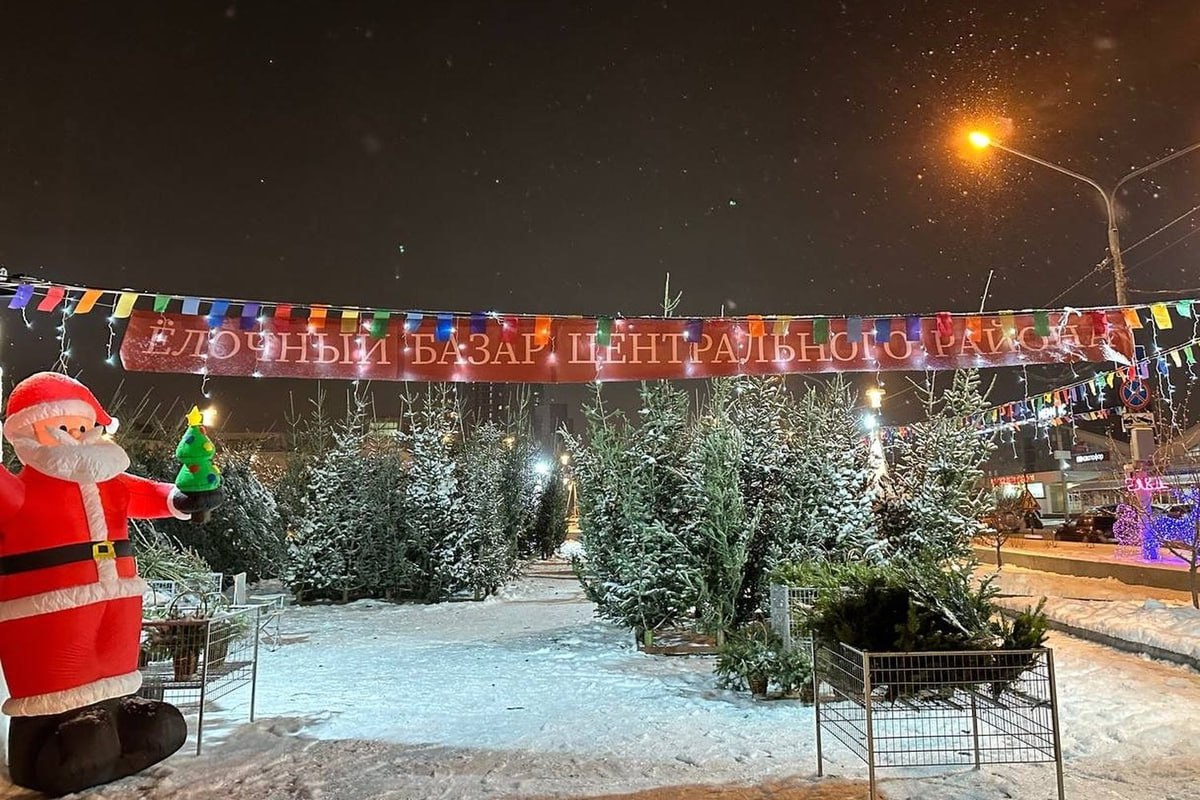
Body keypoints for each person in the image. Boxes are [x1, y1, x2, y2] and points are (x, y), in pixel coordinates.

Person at [0, 372, 222, 795]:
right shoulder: (23, 490)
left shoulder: (111, 485)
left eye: (84, 427)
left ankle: (118, 725)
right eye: (63, 427)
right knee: (55, 687)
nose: (77, 436)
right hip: (47, 609)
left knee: (116, 677)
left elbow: (152, 494)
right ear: (29, 431)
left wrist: (183, 498)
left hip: (116, 602)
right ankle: (51, 747)